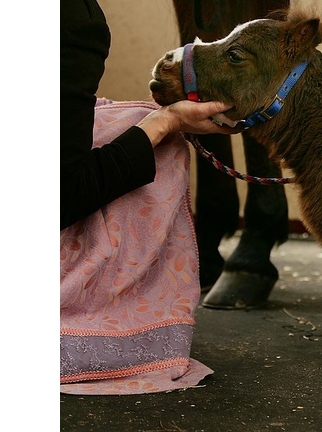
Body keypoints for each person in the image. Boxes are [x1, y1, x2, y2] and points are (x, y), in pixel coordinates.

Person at [60, 0, 235, 394]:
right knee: (160, 145)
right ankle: (104, 322)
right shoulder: (70, 19)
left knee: (118, 119)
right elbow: (58, 195)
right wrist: (165, 122)